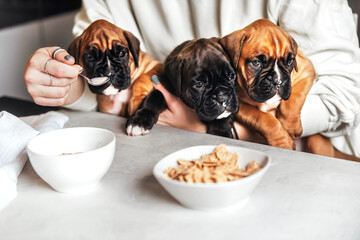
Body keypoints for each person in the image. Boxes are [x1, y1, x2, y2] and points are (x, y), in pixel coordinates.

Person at [24, 0, 360, 158]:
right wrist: (65, 86)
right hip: (164, 149)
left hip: (319, 154)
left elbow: (345, 93)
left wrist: (213, 127)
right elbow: (98, 83)